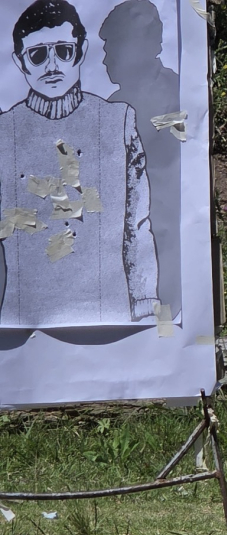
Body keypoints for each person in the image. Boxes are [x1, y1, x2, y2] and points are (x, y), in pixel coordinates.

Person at [0, 0, 159, 327]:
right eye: (38, 55)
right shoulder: (4, 132)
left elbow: (137, 225)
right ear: (20, 62)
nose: (53, 64)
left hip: (110, 311)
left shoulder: (118, 121)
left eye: (63, 50)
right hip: (25, 318)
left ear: (82, 51)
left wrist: (145, 305)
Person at [100, 0, 180, 317]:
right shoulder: (113, 105)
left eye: (112, 46)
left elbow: (178, 135)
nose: (105, 58)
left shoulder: (175, 90)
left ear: (141, 43)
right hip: (122, 227)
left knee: (166, 308)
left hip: (164, 221)